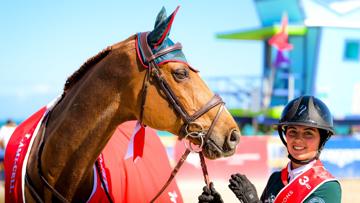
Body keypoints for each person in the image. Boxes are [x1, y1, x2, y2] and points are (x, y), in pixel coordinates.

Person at [198, 95, 342, 203]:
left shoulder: (327, 187)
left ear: (322, 139)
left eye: (308, 133)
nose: (298, 139)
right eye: (292, 132)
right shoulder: (276, 179)